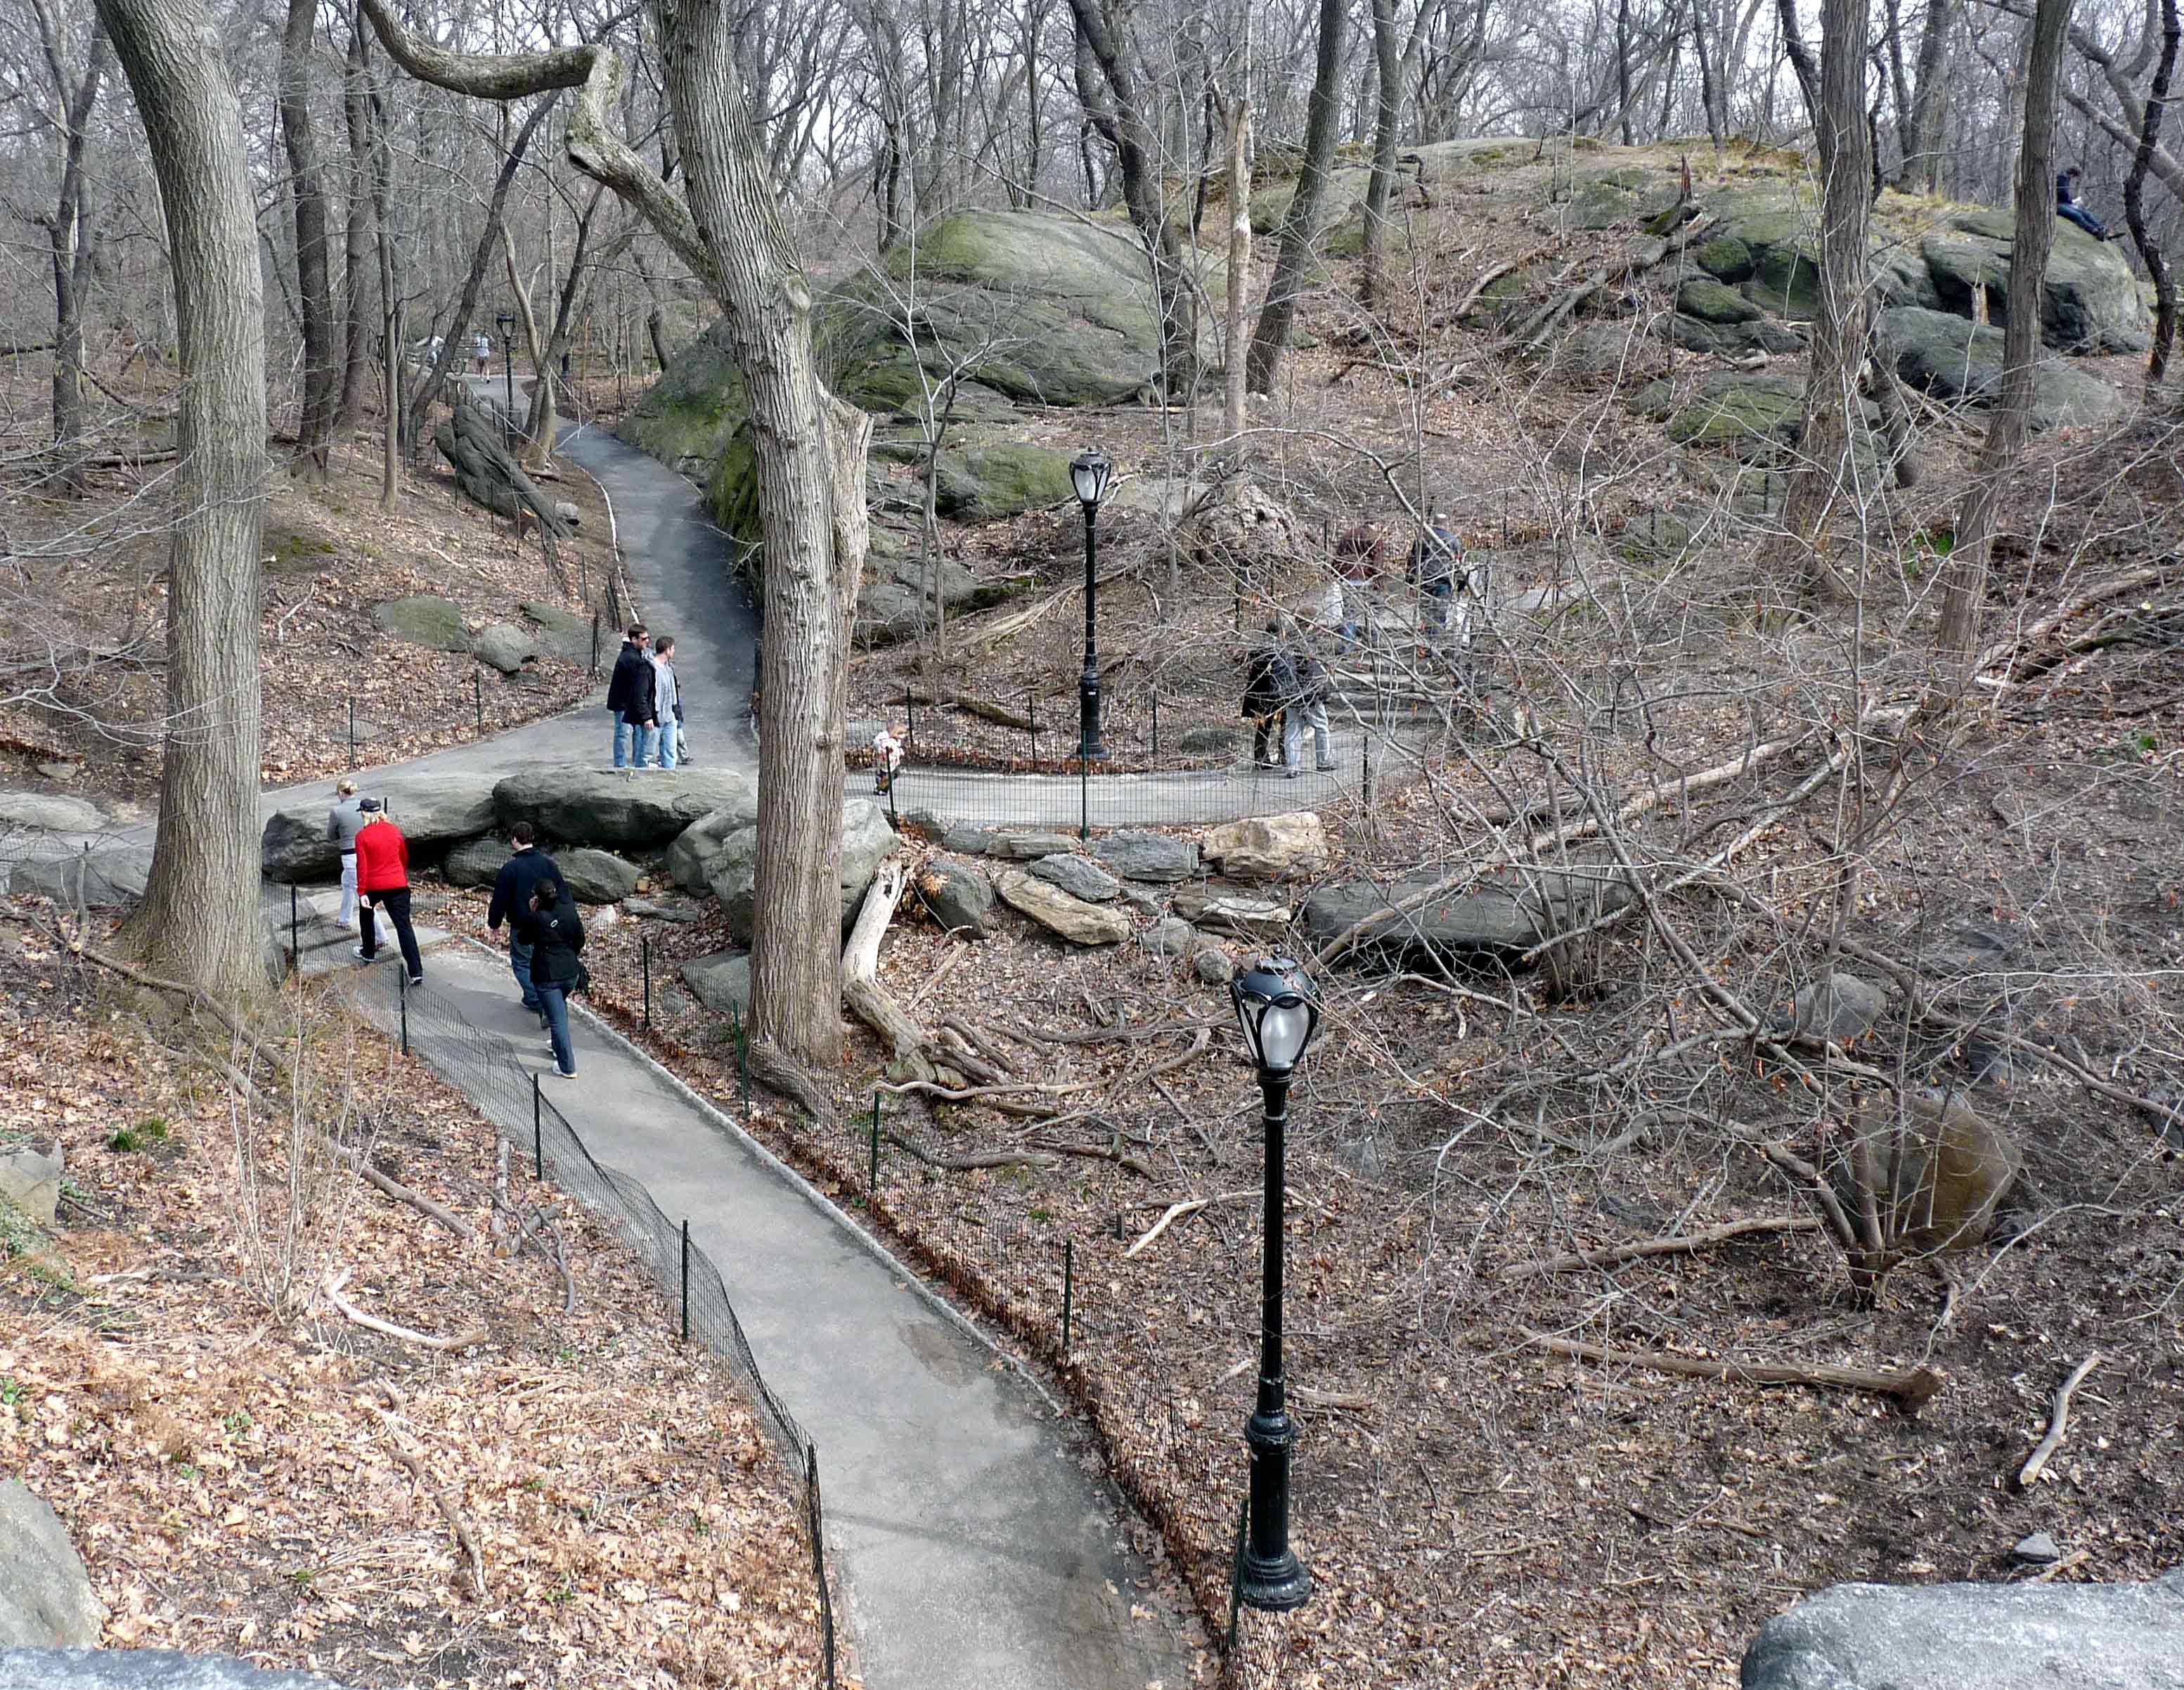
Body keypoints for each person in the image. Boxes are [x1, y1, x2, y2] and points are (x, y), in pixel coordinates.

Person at [486, 822, 561, 1024]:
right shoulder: (549, 864)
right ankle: (544, 999)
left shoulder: (510, 869)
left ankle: (539, 1001)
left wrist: (494, 924)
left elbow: (500, 900)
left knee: (522, 963)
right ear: (532, 839)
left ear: (514, 840)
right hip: (548, 923)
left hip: (523, 924)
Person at [516, 877, 586, 1081]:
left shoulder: (537, 918)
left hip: (547, 976)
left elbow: (523, 939)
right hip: (571, 973)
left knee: (558, 1020)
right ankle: (557, 1046)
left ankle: (567, 1067)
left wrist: (532, 913)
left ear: (537, 898)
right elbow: (580, 939)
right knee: (558, 1007)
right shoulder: (568, 910)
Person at [352, 800, 424, 984]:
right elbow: (404, 856)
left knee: (366, 918)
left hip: (373, 886)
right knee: (404, 927)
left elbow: (362, 866)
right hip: (398, 884)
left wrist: (362, 893)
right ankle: (416, 971)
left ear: (365, 814)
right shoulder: (394, 830)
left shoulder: (362, 836)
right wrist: (399, 873)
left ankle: (368, 953)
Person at [1240, 621, 1297, 770]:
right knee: (1284, 725)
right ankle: (1284, 756)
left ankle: (1261, 759)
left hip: (1261, 697)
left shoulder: (1259, 650)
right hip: (1279, 695)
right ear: (1280, 633)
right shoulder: (1283, 651)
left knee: (1263, 728)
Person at [1284, 623, 1336, 776]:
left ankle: (1293, 767)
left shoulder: (1288, 644)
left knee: (1292, 732)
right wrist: (1323, 693)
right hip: (1310, 695)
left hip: (1291, 695)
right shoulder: (1308, 644)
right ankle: (1323, 761)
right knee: (1322, 726)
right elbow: (1314, 672)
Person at [605, 624, 653, 767]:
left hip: (628, 702)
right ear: (634, 639)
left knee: (635, 733)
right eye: (644, 639)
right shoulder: (631, 658)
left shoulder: (633, 654)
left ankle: (635, 762)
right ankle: (621, 764)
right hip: (623, 703)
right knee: (623, 734)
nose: (647, 642)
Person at [1410, 512, 1461, 637]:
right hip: (1444, 582)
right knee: (1440, 615)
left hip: (1425, 582)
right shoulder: (1454, 541)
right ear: (1446, 524)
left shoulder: (1423, 538)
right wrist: (1460, 586)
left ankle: (1427, 644)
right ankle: (1436, 646)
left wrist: (1410, 582)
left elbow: (1413, 561)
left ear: (1433, 522)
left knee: (1426, 615)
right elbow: (1460, 564)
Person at [326, 778, 365, 928]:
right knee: (347, 882)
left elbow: (331, 835)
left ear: (341, 793)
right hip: (365, 852)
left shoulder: (337, 811)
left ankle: (381, 936)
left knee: (362, 895)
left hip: (350, 855)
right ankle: (344, 919)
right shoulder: (363, 805)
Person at [2056, 167, 2120, 240]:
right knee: (2077, 215)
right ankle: (2094, 231)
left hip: (2064, 203)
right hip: (2058, 205)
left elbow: (2064, 194)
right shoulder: (2062, 178)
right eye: (2075, 177)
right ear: (2073, 174)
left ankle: (2102, 229)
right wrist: (2072, 201)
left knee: (2086, 214)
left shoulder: (2066, 179)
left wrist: (2072, 202)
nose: (2074, 179)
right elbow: (2062, 193)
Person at [648, 634, 680, 770]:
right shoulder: (652, 669)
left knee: (670, 751)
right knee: (648, 752)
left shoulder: (668, 668)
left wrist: (675, 711)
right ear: (667, 650)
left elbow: (672, 692)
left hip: (669, 716)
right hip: (656, 717)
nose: (674, 651)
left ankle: (670, 778)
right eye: (672, 649)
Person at [872, 721, 906, 794]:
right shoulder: (888, 741)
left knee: (895, 773)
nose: (904, 736)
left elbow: (897, 749)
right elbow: (884, 749)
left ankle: (880, 780)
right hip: (887, 762)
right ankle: (881, 789)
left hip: (892, 763)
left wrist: (899, 752)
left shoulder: (897, 741)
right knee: (889, 776)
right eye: (901, 733)